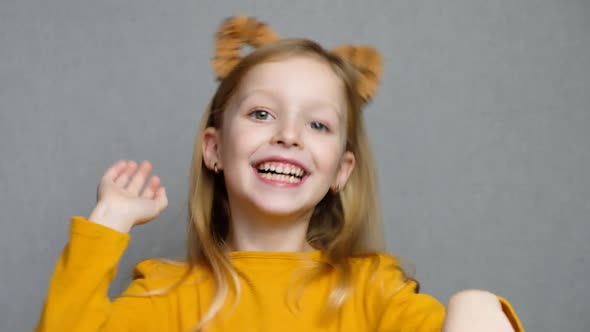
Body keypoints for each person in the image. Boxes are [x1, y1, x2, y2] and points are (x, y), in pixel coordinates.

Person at [35, 16, 523, 332]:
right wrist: (108, 223)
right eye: (262, 114)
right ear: (214, 149)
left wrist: (480, 311)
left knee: (477, 305)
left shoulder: (375, 290)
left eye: (317, 124)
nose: (289, 135)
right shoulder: (168, 292)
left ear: (340, 171)